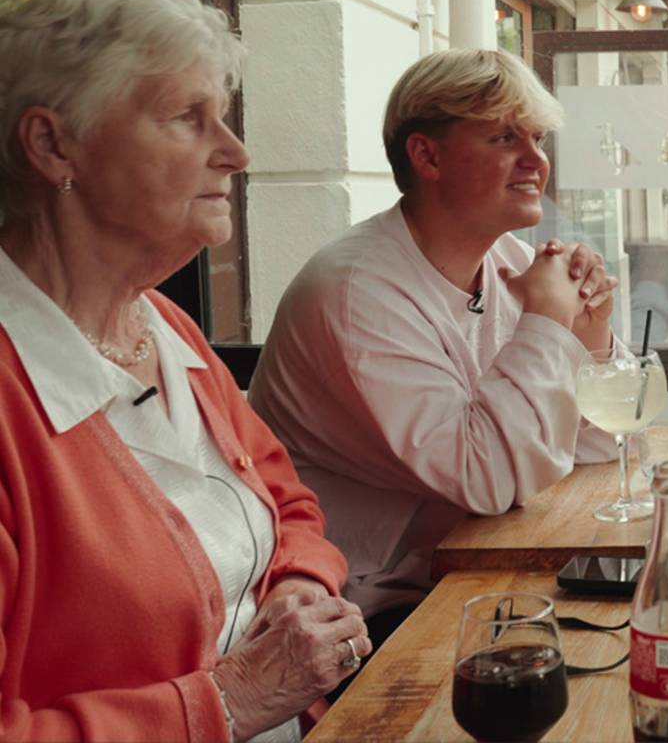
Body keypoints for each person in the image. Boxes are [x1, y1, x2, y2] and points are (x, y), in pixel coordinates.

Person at [0, 0, 368, 742]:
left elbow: (289, 504)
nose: (235, 153)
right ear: (54, 146)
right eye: (186, 117)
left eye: (222, 116)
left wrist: (298, 586)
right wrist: (228, 701)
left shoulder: (165, 327)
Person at [248, 48, 620, 646]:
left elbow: (599, 444)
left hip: (462, 571)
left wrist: (588, 331)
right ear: (427, 156)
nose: (536, 160)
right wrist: (549, 320)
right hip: (362, 614)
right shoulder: (357, 292)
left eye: (537, 138)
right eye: (505, 137)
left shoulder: (506, 259)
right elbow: (488, 478)